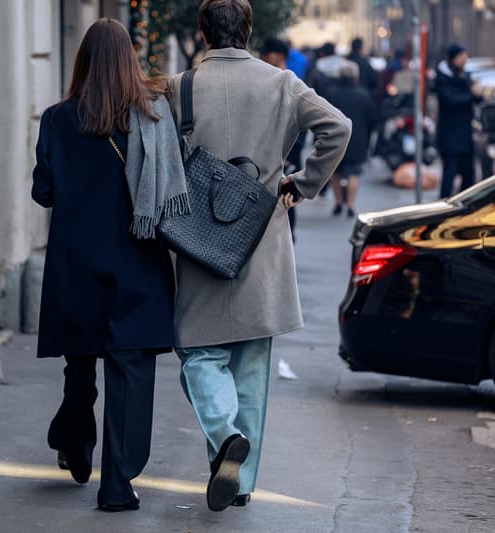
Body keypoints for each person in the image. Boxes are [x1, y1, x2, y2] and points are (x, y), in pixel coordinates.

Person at [168, 0, 351, 512]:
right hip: (262, 239)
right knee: (250, 363)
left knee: (199, 354)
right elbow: (338, 128)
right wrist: (304, 184)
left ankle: (225, 438)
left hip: (198, 238)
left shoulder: (180, 87)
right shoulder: (282, 84)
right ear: (249, 31)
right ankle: (240, 479)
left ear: (203, 34)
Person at [31, 18, 188, 512]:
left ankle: (75, 441)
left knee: (80, 362)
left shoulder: (58, 119)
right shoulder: (154, 117)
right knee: (131, 371)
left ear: (82, 63)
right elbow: (168, 188)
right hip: (137, 261)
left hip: (76, 263)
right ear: (130, 60)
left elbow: (44, 191)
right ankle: (117, 485)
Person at [260, 37, 301, 240]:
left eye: (266, 55)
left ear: (277, 56)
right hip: (282, 157)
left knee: (286, 203)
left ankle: (288, 238)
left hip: (285, 158)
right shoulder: (287, 81)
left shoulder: (287, 82)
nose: (263, 59)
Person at [327, 61, 377, 218]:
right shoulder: (364, 94)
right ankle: (350, 204)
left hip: (334, 139)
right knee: (354, 173)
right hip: (358, 139)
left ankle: (337, 202)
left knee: (335, 172)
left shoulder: (331, 93)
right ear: (356, 76)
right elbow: (371, 120)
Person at [435, 43, 482, 198]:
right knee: (450, 173)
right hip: (450, 135)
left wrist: (477, 94)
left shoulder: (465, 75)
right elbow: (450, 100)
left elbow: (475, 97)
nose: (465, 60)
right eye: (462, 56)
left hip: (466, 134)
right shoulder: (443, 78)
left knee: (469, 174)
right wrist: (472, 95)